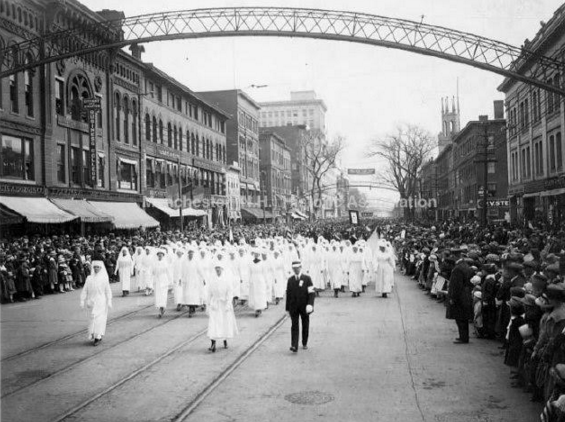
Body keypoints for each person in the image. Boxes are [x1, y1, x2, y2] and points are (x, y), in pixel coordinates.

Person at [206, 262, 239, 352]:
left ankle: (225, 340)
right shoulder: (212, 280)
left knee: (224, 323)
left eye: (219, 269)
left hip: (224, 305)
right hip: (215, 304)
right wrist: (208, 304)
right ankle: (213, 344)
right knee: (213, 323)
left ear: (222, 269)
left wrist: (228, 303)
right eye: (216, 269)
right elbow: (209, 293)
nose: (217, 270)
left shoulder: (226, 280)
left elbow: (230, 292)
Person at [80, 260, 112, 346]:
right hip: (92, 301)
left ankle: (98, 336)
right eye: (94, 267)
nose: (96, 269)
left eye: (97, 267)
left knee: (99, 319)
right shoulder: (89, 278)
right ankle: (93, 334)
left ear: (101, 268)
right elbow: (85, 289)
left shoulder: (104, 278)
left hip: (101, 301)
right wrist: (82, 300)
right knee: (92, 318)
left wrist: (109, 300)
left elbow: (108, 290)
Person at [446, 248, 474, 344]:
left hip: (460, 295)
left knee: (460, 317)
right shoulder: (465, 266)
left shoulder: (458, 268)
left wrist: (453, 298)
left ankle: (463, 337)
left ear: (454, 256)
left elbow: (456, 285)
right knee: (463, 317)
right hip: (466, 293)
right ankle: (463, 336)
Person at [286, 260, 315, 353]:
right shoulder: (290, 280)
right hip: (294, 307)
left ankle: (304, 342)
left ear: (300, 267)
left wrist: (310, 304)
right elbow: (288, 295)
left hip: (304, 306)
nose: (296, 270)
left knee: (305, 324)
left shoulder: (307, 279)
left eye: (297, 268)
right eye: (294, 269)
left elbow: (311, 293)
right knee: (294, 326)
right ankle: (294, 345)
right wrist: (287, 308)